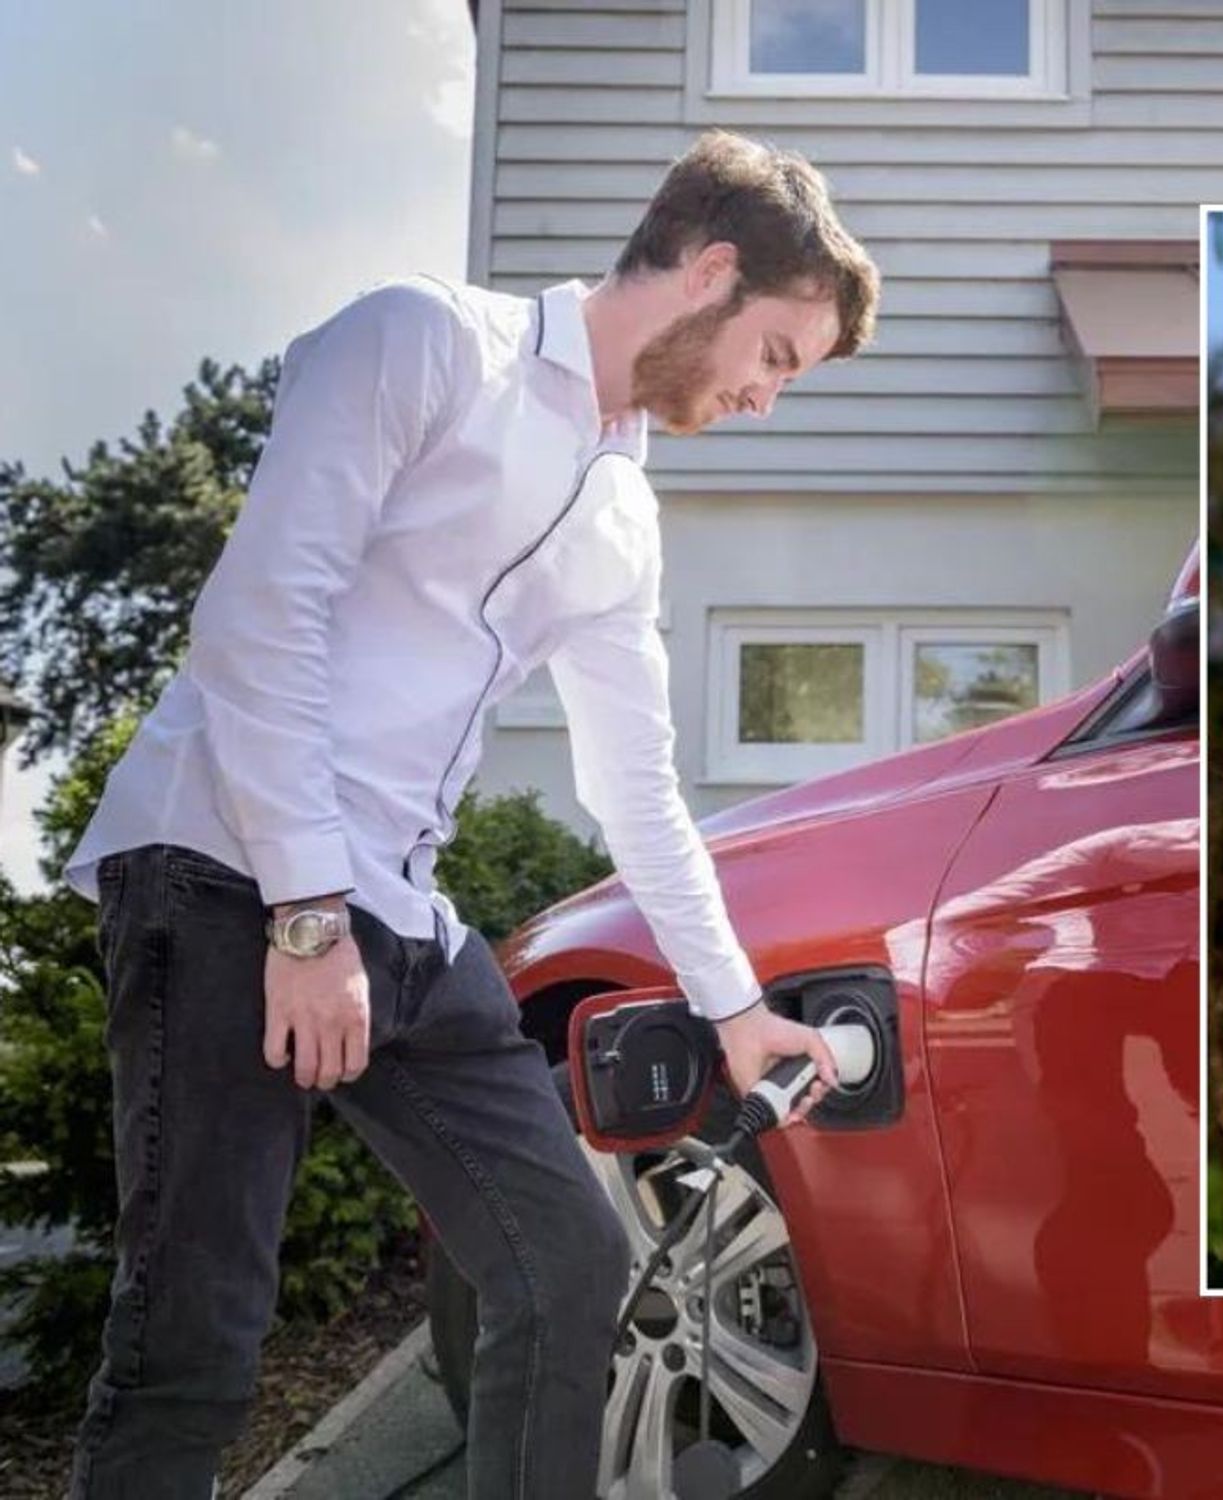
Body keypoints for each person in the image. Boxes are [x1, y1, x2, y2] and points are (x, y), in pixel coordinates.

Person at [60, 129, 879, 1499]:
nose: (765, 398)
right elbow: (262, 615)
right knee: (194, 1330)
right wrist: (304, 913)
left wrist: (736, 1009)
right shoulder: (425, 342)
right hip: (221, 864)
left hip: (393, 911)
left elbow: (635, 785)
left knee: (568, 1260)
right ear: (712, 273)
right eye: (777, 357)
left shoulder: (623, 511)